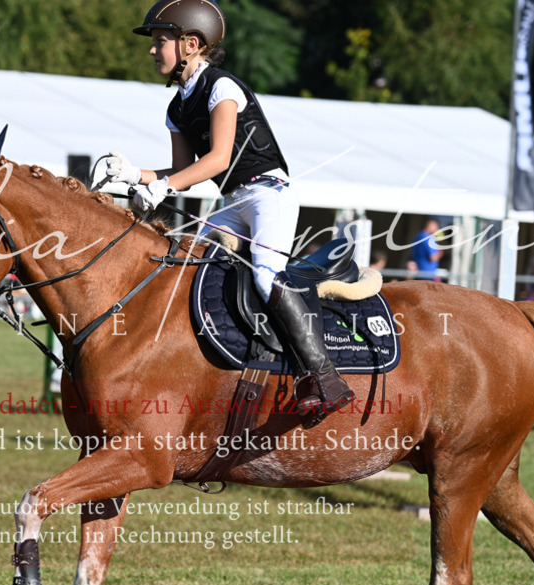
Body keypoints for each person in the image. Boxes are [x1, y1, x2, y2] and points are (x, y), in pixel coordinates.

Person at [104, 0, 353, 416]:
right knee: (186, 267)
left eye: (160, 41)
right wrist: (135, 174)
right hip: (233, 202)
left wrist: (164, 187)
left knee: (266, 274)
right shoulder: (176, 107)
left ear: (190, 44)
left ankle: (324, 378)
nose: (152, 49)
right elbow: (182, 170)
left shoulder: (222, 87)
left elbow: (218, 159)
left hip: (267, 195)